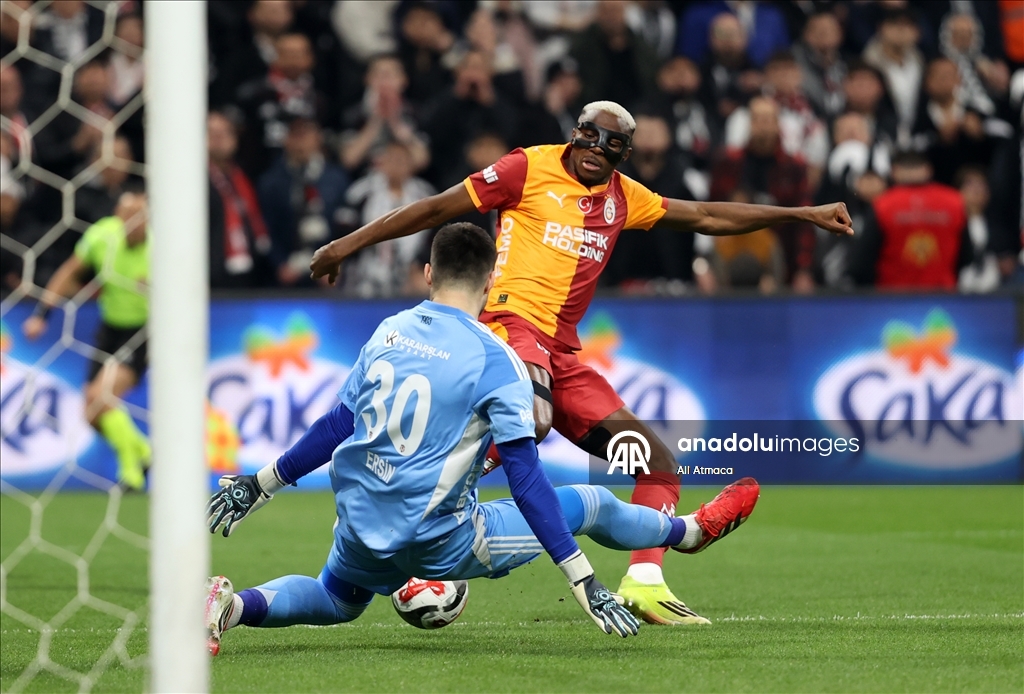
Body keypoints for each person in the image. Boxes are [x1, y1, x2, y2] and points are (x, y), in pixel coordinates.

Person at [309, 100, 852, 625]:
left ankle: (645, 581)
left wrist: (801, 214)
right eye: (590, 134)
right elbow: (435, 208)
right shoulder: (526, 168)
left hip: (558, 357)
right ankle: (431, 504)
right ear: (575, 132)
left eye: (613, 143)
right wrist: (345, 245)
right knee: (534, 417)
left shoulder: (625, 197)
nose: (598, 148)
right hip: (508, 330)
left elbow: (707, 215)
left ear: (625, 153)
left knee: (656, 463)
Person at [203, 223, 761, 654]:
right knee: (591, 502)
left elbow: (336, 425)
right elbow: (525, 477)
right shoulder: (500, 362)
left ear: (428, 273)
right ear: (491, 281)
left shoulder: (388, 332)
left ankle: (230, 607)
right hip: (442, 539)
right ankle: (688, 532)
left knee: (336, 599)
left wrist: (260, 483)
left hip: (362, 521)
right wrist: (584, 580)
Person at [21, 191, 151, 490]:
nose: (132, 223)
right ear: (118, 217)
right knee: (91, 414)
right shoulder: (102, 236)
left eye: (139, 217)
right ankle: (144, 450)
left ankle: (130, 472)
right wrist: (42, 314)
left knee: (101, 397)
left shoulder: (161, 250)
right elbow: (69, 272)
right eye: (127, 216)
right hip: (109, 330)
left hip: (143, 332)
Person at [850, 150, 970, 289]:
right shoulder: (955, 202)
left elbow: (863, 260)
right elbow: (967, 255)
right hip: (942, 295)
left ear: (895, 171)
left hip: (893, 295)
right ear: (928, 170)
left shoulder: (882, 205)